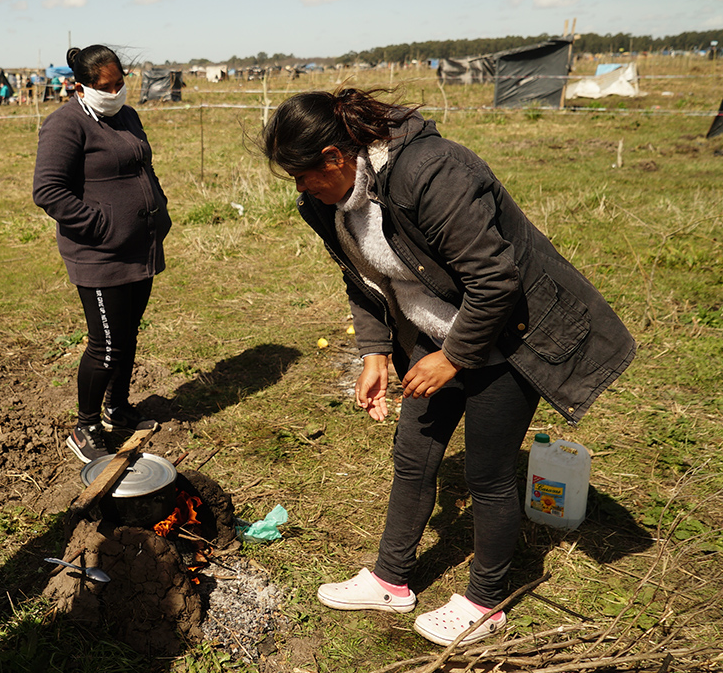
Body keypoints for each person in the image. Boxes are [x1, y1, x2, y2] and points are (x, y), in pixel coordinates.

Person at [261, 87, 634, 647]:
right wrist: (376, 353)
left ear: (336, 158)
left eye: (302, 174)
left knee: (487, 475)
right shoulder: (326, 203)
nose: (300, 188)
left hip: (505, 337)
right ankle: (391, 579)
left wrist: (454, 357)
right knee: (413, 457)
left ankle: (487, 601)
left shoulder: (432, 172)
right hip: (433, 339)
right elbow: (361, 278)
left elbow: (496, 281)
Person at [33, 45, 172, 463]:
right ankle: (86, 425)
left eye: (119, 83)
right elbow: (48, 191)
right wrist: (103, 225)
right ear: (82, 86)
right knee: (106, 345)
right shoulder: (65, 125)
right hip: (99, 255)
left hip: (140, 248)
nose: (114, 92)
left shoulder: (127, 116)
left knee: (127, 334)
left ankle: (118, 407)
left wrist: (158, 210)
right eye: (104, 87)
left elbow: (142, 166)